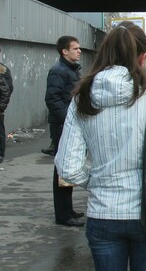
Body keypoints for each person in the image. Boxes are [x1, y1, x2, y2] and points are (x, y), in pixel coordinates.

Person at [55, 26, 146, 271]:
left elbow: (66, 167)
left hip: (102, 214)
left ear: (104, 54)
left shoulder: (82, 98)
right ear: (142, 58)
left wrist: (96, 181)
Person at [43, 36, 85, 227]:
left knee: (68, 166)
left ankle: (67, 209)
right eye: (75, 48)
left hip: (68, 123)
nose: (79, 51)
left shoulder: (71, 70)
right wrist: (68, 120)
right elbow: (52, 99)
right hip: (62, 125)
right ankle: (62, 214)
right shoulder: (58, 72)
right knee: (62, 167)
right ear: (64, 51)